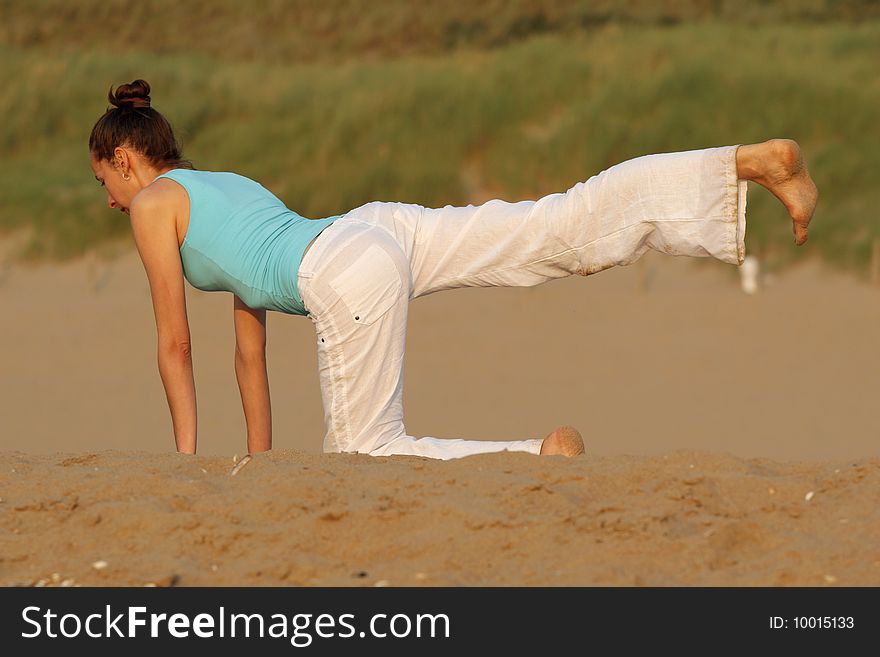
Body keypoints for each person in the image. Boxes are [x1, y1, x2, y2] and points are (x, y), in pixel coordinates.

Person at [88, 80, 818, 460]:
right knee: (557, 225)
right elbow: (248, 344)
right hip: (374, 229)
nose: (113, 204)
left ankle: (536, 455)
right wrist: (260, 462)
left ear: (125, 161)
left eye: (105, 184)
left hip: (344, 270)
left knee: (367, 452)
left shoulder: (156, 203)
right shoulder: (223, 185)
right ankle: (740, 166)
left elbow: (175, 344)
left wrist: (182, 465)